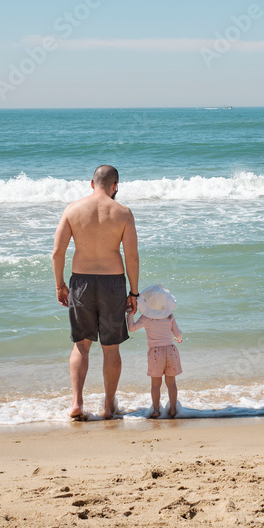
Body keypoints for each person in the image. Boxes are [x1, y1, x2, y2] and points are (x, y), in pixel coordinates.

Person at [52, 165, 139, 421]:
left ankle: (77, 403)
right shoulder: (123, 212)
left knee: (82, 345)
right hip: (113, 283)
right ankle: (109, 407)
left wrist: (60, 284)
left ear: (92, 183)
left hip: (81, 282)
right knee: (111, 348)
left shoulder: (73, 209)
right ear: (115, 186)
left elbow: (57, 252)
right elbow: (131, 256)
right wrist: (133, 291)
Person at [127, 284, 183, 419]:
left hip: (155, 353)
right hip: (171, 350)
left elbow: (132, 328)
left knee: (155, 384)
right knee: (171, 383)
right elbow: (178, 334)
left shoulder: (146, 318)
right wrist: (178, 338)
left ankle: (156, 410)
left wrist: (130, 315)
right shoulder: (169, 316)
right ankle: (173, 409)